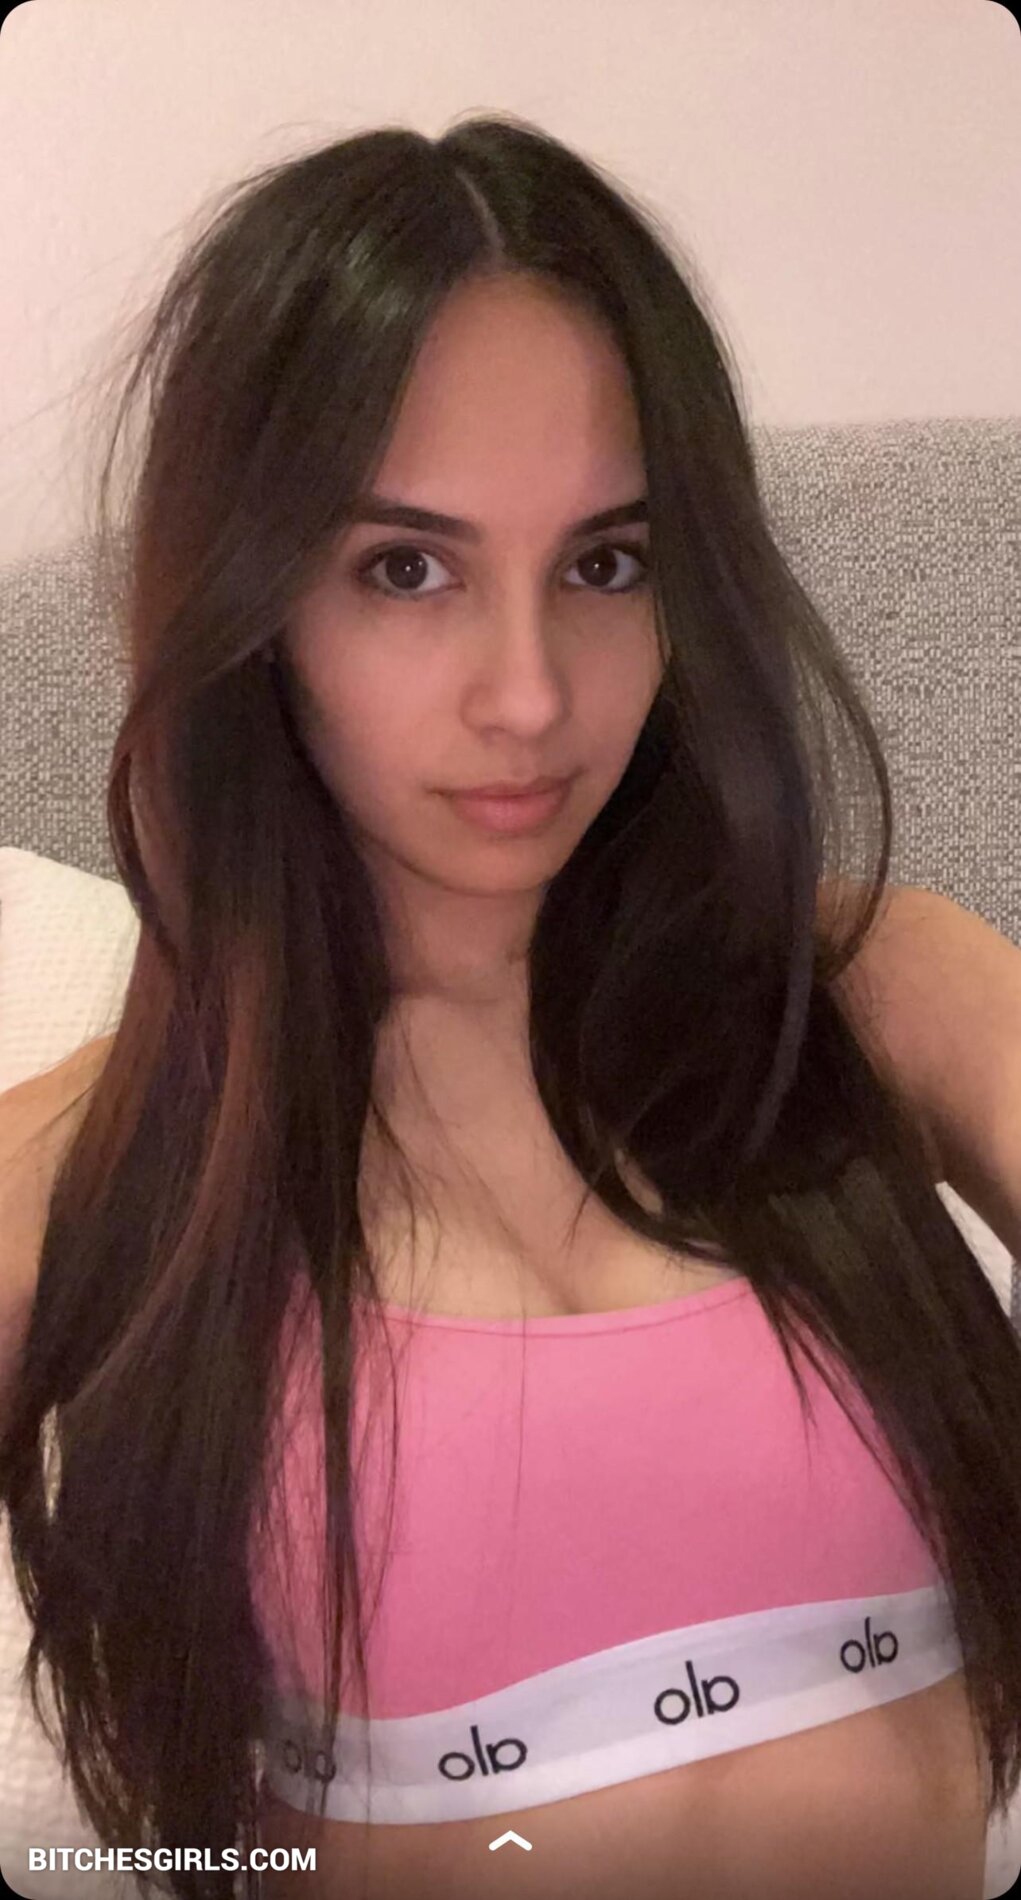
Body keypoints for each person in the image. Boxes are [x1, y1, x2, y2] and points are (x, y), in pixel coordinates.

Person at [1, 113, 1020, 1900]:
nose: (530, 695)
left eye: (604, 563)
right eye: (406, 569)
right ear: (256, 609)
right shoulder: (110, 1174)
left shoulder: (878, 999)